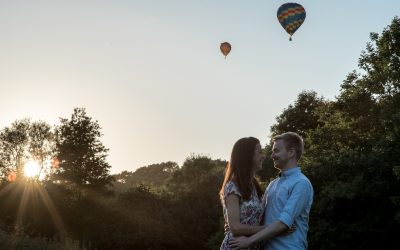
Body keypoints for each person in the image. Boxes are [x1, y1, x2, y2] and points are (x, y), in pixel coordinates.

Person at [229, 132, 314, 250]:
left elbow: (283, 224)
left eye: (276, 151)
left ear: (291, 152)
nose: (272, 155)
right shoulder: (272, 185)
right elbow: (257, 218)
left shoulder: (301, 183)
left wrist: (248, 241)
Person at [219, 137, 267, 250]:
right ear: (247, 156)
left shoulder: (254, 186)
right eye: (260, 152)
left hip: (252, 245)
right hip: (236, 246)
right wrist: (270, 229)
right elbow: (235, 227)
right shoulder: (233, 186)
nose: (264, 156)